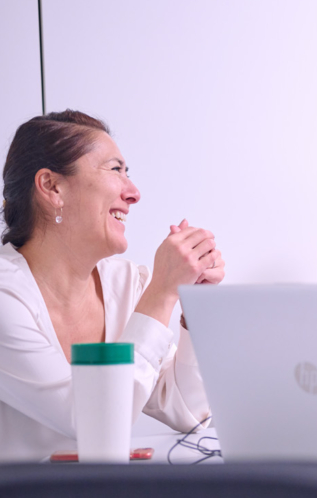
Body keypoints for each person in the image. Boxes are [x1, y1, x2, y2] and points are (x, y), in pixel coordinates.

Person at [0, 111, 222, 462]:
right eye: (115, 169)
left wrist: (196, 308)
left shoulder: (126, 283)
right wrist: (162, 292)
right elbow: (89, 420)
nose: (133, 193)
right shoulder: (4, 295)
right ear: (52, 187)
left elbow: (188, 412)